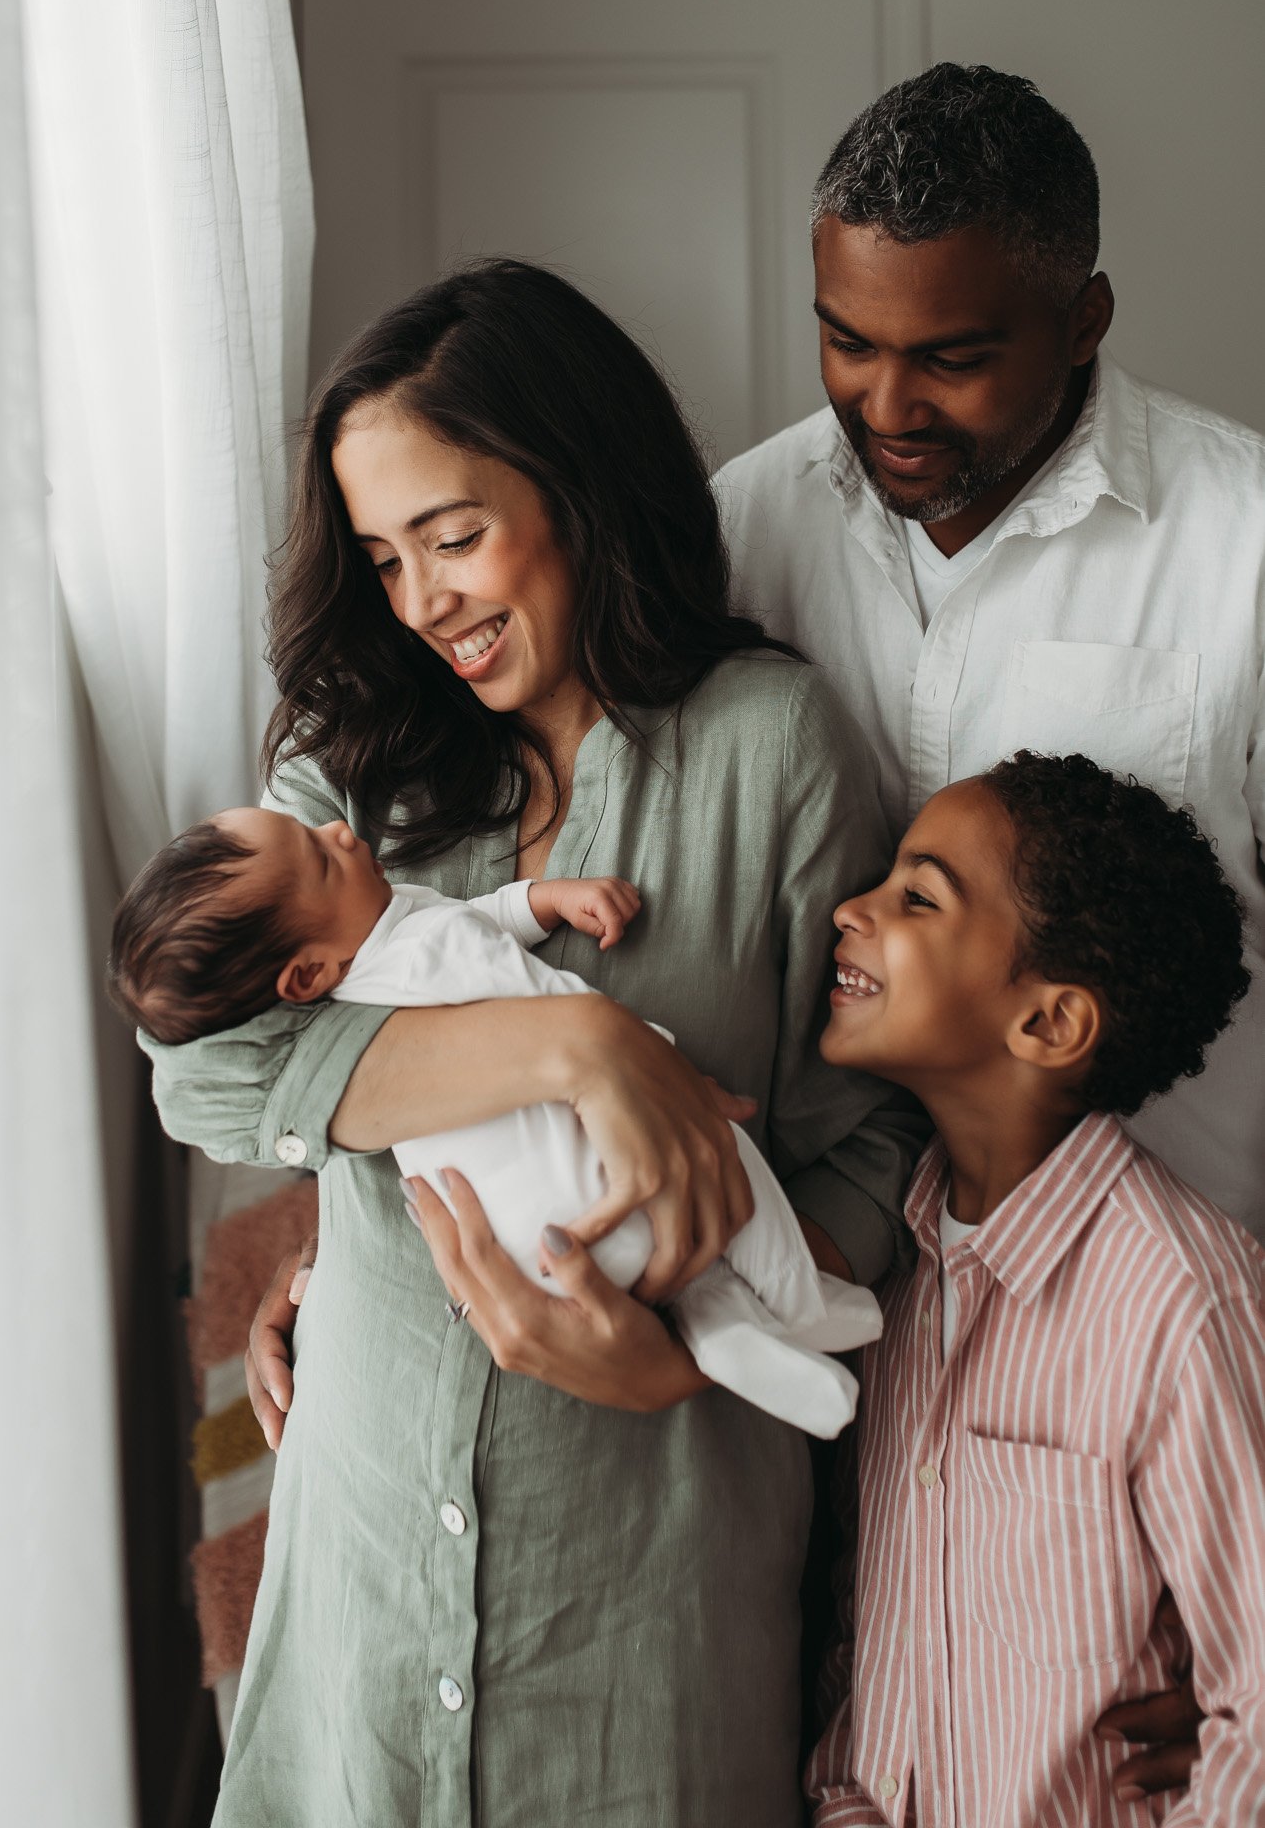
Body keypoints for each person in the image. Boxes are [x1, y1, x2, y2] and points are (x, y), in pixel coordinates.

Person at [143, 259, 926, 1827]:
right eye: (381, 556)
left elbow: (879, 1131)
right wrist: (580, 1057)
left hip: (648, 1575)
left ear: (580, 487)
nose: (421, 600)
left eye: (454, 533)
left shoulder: (773, 748)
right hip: (363, 1581)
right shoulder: (344, 770)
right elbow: (204, 1068)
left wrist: (686, 1355)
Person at [717, 61, 1265, 1246]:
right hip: (800, 1283)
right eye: (846, 342)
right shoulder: (735, 531)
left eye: (950, 359)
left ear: (1083, 321)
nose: (887, 406)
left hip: (1152, 1308)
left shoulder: (1246, 542)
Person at [805, 752, 1265, 1828]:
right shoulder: (895, 1278)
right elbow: (866, 1657)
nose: (848, 907)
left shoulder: (1182, 1301)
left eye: (916, 896)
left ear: (1048, 1023)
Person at [111, 811, 881, 1436]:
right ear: (305, 974)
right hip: (579, 1171)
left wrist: (538, 902)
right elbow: (489, 962)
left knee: (682, 1275)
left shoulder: (360, 956)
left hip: (523, 1242)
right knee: (721, 1158)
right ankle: (800, 1301)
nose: (339, 831)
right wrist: (615, 1046)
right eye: (319, 856)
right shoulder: (410, 956)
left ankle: (726, 1341)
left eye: (315, 829)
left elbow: (463, 919)